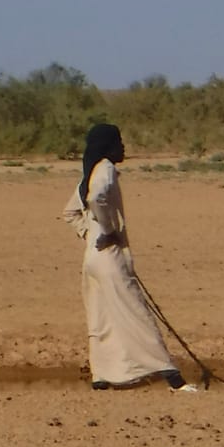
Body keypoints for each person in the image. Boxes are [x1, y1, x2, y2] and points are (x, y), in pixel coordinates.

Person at [61, 123, 200, 391]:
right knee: (136, 313)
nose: (123, 147)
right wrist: (109, 231)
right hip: (110, 257)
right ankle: (173, 378)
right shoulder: (105, 169)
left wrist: (90, 234)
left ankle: (101, 378)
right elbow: (96, 198)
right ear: (107, 146)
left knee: (102, 318)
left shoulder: (89, 173)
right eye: (118, 141)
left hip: (92, 258)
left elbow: (70, 212)